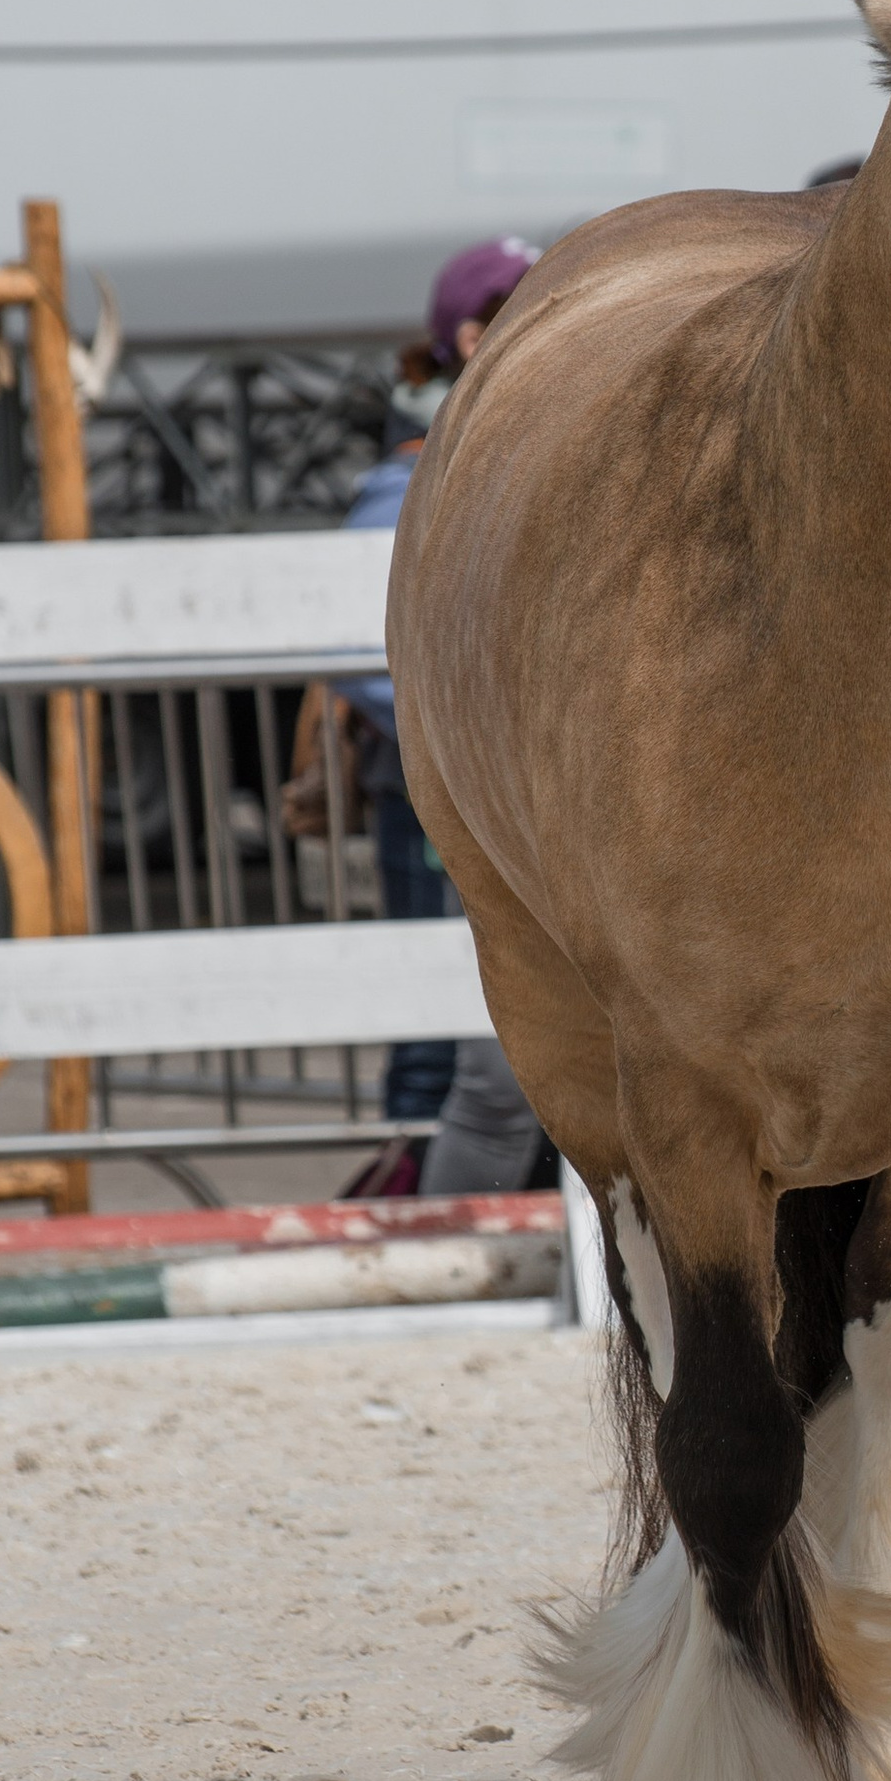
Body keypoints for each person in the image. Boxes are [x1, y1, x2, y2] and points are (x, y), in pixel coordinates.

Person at [290, 237, 549, 1197]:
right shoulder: (418, 469)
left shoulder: (495, 445)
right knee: (455, 1058)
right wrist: (478, 722)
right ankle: (433, 1226)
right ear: (475, 335)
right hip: (448, 799)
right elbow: (365, 644)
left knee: (486, 1056)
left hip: (492, 790)